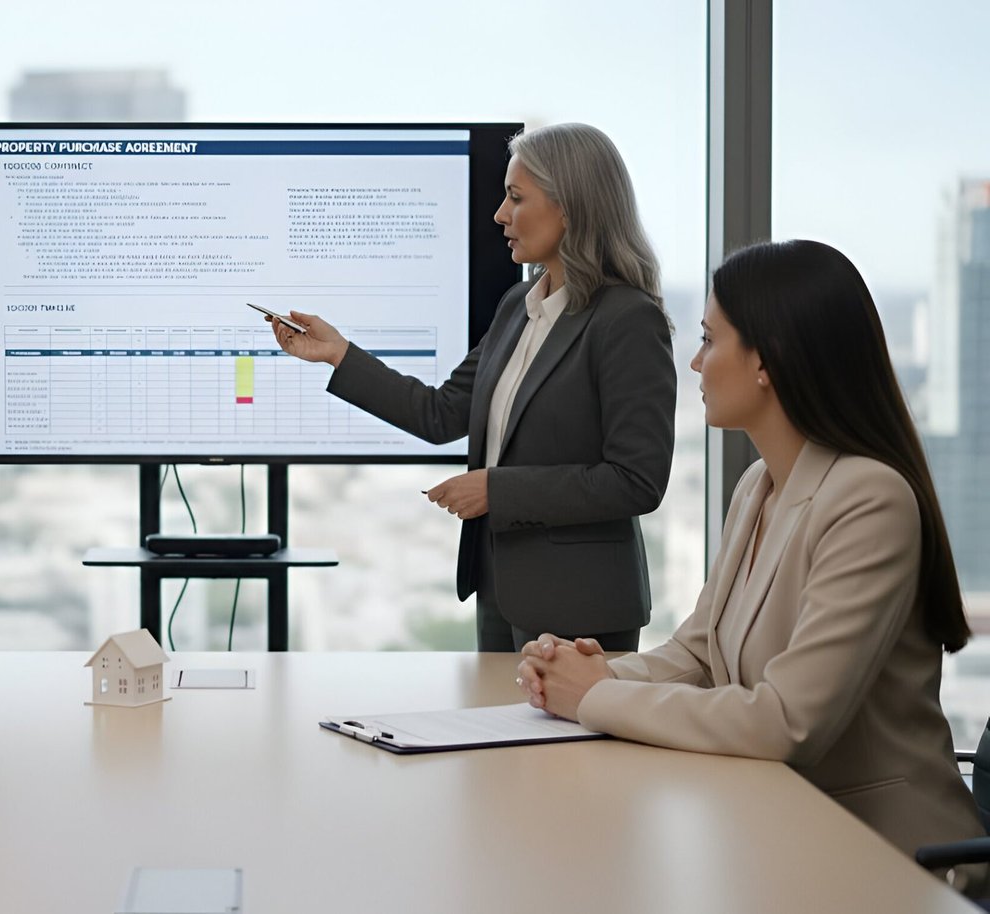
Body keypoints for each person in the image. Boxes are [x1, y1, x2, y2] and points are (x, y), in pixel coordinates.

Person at [516, 240, 984, 880]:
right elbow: (700, 654)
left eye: (710, 340)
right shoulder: (758, 485)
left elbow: (788, 721)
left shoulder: (869, 499)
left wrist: (595, 698)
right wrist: (589, 676)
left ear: (765, 361)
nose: (695, 362)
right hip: (784, 827)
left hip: (887, 858)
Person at [270, 123, 676, 651]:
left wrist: (496, 489)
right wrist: (339, 354)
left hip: (583, 608)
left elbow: (637, 480)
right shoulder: (518, 307)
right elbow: (441, 413)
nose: (499, 215)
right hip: (502, 592)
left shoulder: (626, 320)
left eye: (515, 197)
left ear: (570, 207)